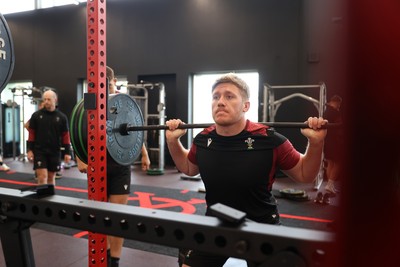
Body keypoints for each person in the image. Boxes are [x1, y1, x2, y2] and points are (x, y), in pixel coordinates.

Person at [165, 73, 327, 267]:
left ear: (246, 106)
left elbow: (304, 174)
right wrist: (172, 141)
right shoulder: (202, 139)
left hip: (262, 226)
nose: (220, 102)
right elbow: (189, 168)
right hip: (217, 222)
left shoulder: (269, 139)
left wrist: (315, 143)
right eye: (216, 97)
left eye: (229, 96)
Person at [76, 66, 151, 267]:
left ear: (113, 81)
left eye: (108, 82)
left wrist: (143, 154)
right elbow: (78, 131)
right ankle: (105, 254)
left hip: (120, 165)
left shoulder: (122, 101)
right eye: (101, 83)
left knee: (118, 216)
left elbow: (131, 130)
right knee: (100, 215)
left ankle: (114, 261)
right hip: (97, 166)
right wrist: (79, 157)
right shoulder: (88, 102)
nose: (106, 86)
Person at [26, 89, 71, 185]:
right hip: (39, 151)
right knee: (42, 177)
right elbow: (31, 134)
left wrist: (67, 152)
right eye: (45, 99)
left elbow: (66, 136)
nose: (46, 101)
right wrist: (29, 150)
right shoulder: (36, 116)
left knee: (51, 177)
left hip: (54, 152)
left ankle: (49, 199)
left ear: (55, 100)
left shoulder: (62, 117)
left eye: (49, 99)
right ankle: (41, 199)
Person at [323, 95, 343, 195]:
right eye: (338, 104)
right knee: (339, 162)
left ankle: (330, 185)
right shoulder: (334, 112)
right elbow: (340, 126)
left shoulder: (326, 111)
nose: (339, 106)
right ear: (335, 102)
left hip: (327, 140)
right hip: (334, 141)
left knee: (330, 162)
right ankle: (330, 184)